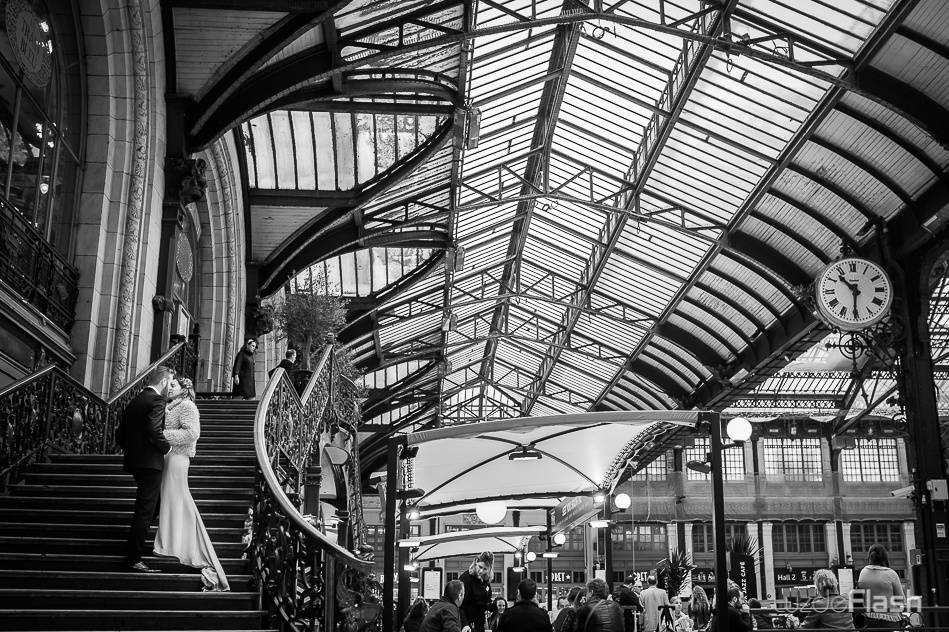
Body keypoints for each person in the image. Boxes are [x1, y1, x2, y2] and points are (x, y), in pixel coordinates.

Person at [153, 377, 229, 591]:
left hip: (177, 459)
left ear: (184, 390)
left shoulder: (187, 406)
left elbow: (192, 433)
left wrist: (160, 436)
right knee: (172, 501)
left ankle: (176, 544)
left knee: (178, 501)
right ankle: (170, 541)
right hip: (168, 458)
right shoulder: (170, 406)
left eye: (174, 385)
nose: (170, 388)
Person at [116, 366, 174, 573]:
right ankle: (133, 558)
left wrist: (133, 450)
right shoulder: (158, 400)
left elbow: (120, 434)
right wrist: (167, 448)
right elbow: (154, 429)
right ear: (165, 382)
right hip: (150, 463)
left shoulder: (135, 399)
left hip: (135, 461)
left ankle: (135, 544)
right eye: (171, 383)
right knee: (145, 509)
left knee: (154, 504)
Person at [857, 544, 905, 630]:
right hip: (890, 620)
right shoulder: (891, 573)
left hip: (869, 619)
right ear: (884, 557)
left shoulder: (863, 572)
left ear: (870, 557)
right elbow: (901, 600)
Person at [459, 551, 495, 631]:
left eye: (485, 569)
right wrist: (465, 624)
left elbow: (485, 602)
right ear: (475, 563)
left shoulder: (485, 580)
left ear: (489, 570)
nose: (481, 571)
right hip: (467, 623)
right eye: (480, 567)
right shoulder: (466, 578)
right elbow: (461, 605)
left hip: (479, 622)